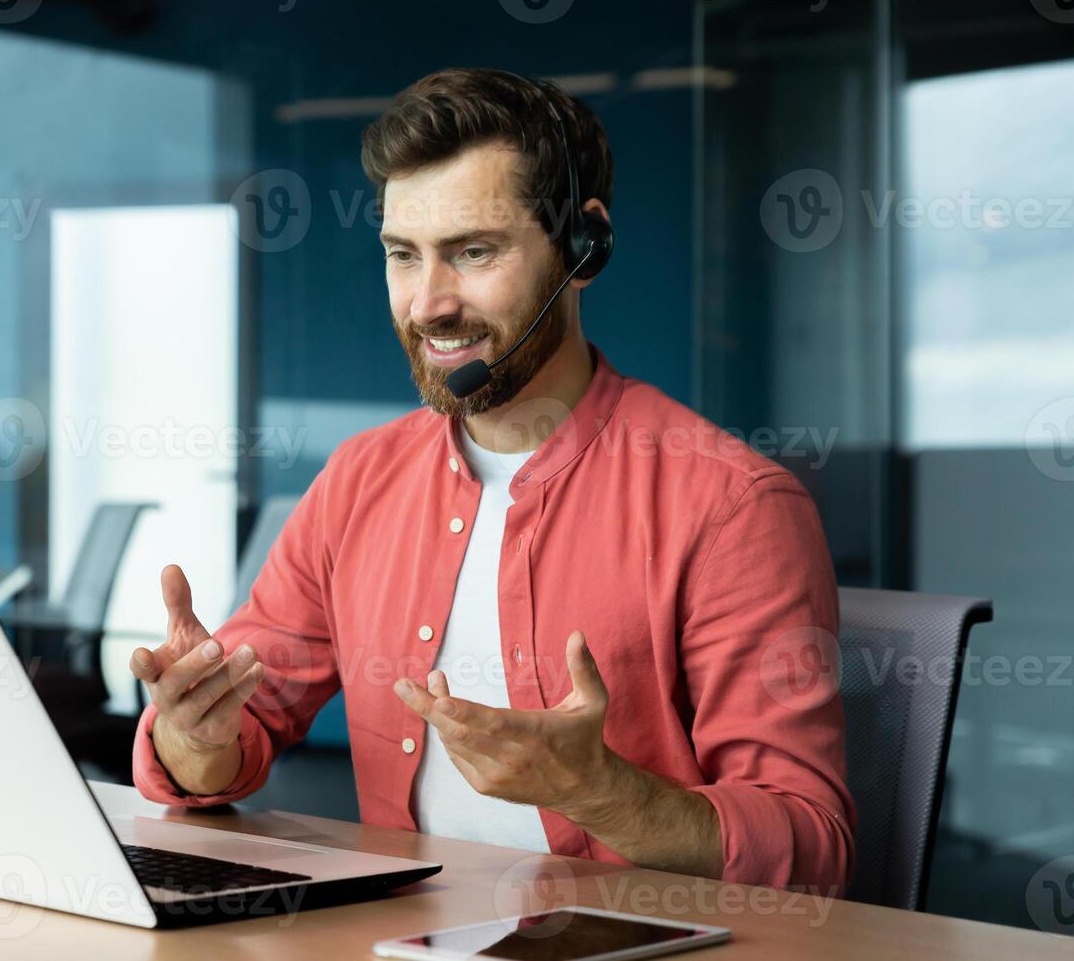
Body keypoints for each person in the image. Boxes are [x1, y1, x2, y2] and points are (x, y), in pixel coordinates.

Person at [128, 67, 854, 893]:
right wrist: (194, 733)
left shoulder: (730, 507)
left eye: (473, 252)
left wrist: (599, 791)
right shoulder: (361, 480)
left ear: (586, 248)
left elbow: (812, 848)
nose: (429, 303)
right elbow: (239, 726)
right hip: (397, 939)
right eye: (404, 256)